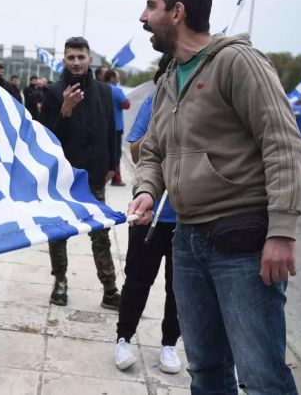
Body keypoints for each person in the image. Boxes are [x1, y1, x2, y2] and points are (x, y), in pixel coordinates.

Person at [128, 0, 301, 394]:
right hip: (187, 240)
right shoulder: (169, 77)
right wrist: (148, 190)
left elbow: (283, 144)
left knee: (261, 375)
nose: (142, 16)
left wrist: (281, 231)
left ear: (178, 12)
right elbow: (153, 150)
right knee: (205, 369)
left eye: (151, 5)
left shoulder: (238, 62)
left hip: (240, 240)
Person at [39, 36, 120, 310]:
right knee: (59, 232)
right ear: (64, 60)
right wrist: (65, 111)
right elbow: (46, 138)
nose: (76, 62)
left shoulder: (104, 91)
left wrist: (112, 164)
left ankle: (110, 290)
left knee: (100, 232)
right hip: (63, 176)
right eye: (71, 57)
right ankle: (60, 282)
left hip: (94, 174)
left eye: (81, 57)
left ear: (90, 59)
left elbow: (112, 130)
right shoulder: (52, 91)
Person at [113, 56, 182, 374]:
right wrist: (159, 133)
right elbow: (136, 149)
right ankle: (123, 339)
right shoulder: (156, 100)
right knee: (138, 280)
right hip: (149, 212)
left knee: (178, 287)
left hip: (188, 218)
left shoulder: (208, 101)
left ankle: (169, 345)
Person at [105, 69, 131, 186]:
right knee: (116, 154)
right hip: (116, 127)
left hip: (102, 126)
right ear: (112, 78)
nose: (118, 79)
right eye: (117, 77)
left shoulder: (99, 88)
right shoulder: (117, 90)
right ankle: (116, 178)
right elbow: (126, 104)